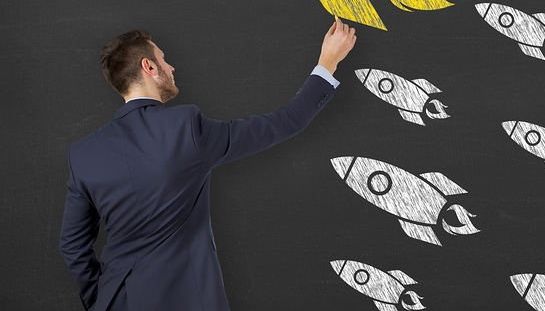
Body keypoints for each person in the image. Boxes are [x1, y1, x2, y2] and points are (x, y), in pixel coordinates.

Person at [59, 20, 356, 311]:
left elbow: (72, 246)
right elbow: (285, 122)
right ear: (148, 67)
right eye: (164, 60)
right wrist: (327, 62)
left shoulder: (82, 154)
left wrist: (100, 300)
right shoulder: (185, 128)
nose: (171, 67)